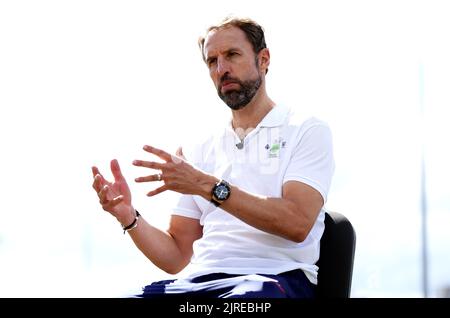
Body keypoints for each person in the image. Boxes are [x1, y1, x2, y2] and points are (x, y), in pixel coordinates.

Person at [91, 16, 334, 298]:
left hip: (274, 280)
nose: (221, 69)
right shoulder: (198, 147)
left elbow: (297, 223)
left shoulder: (306, 129)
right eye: (212, 61)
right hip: (202, 282)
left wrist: (204, 184)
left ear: (263, 59)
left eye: (232, 55)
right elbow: (176, 255)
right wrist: (129, 218)